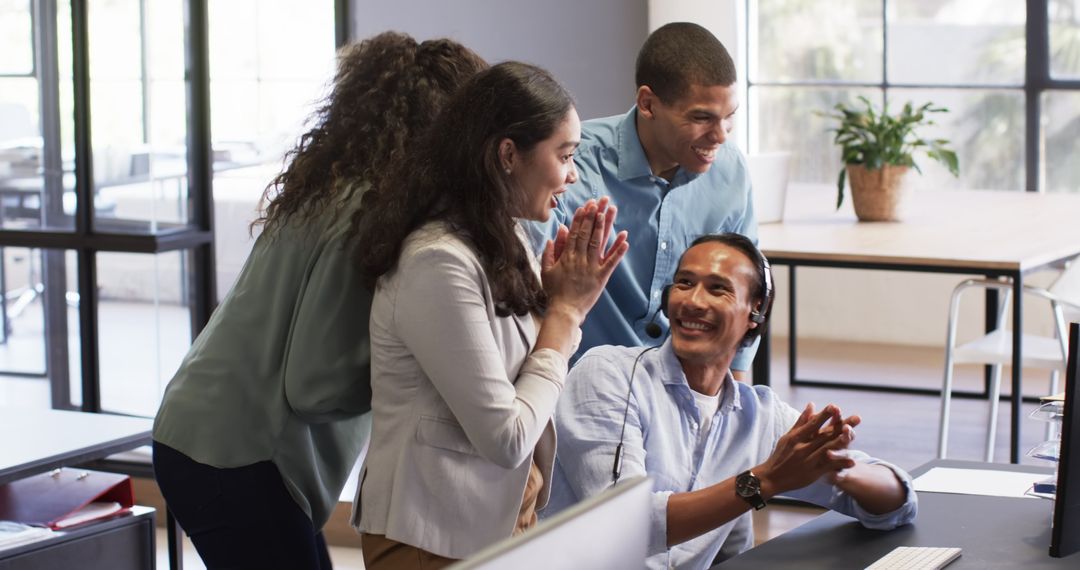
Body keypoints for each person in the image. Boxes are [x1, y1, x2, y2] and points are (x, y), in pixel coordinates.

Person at [151, 32, 487, 570]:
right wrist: (415, 363)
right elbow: (314, 385)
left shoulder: (336, 187)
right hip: (236, 453)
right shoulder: (369, 213)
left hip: (210, 433)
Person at [350, 61, 629, 569]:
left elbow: (517, 368)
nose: (573, 175)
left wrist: (554, 302)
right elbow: (507, 437)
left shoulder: (503, 232)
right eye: (565, 155)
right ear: (508, 155)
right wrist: (565, 313)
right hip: (432, 535)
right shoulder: (436, 260)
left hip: (496, 524)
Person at [544, 233, 917, 570]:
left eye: (717, 289)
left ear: (756, 312)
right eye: (684, 283)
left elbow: (900, 503)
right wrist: (765, 480)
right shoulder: (609, 374)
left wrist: (838, 468)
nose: (693, 301)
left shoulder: (759, 416)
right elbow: (625, 524)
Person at [524, 22, 760, 376]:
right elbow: (530, 293)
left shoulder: (731, 170)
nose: (720, 136)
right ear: (648, 104)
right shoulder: (571, 165)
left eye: (729, 118)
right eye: (702, 118)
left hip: (681, 385)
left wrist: (735, 403)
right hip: (581, 383)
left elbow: (745, 288)